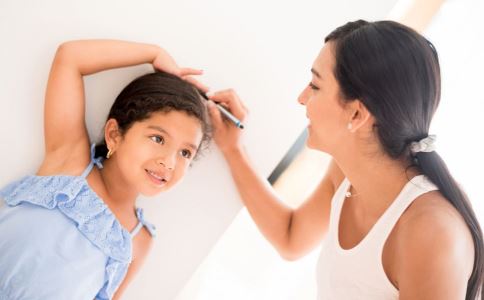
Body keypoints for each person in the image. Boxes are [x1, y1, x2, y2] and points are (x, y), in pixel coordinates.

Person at [207, 20, 483, 299]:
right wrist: (233, 149)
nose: (301, 98)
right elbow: (291, 237)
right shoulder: (345, 174)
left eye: (315, 85)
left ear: (356, 115)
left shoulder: (432, 232)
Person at [0, 40, 210, 299]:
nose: (169, 162)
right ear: (114, 134)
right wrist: (154, 53)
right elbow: (70, 58)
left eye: (185, 153)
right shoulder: (70, 163)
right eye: (158, 138)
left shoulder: (137, 241)